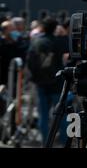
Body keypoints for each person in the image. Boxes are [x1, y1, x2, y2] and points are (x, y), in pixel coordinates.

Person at [26, 17, 69, 145]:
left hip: (40, 82)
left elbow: (29, 61)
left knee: (43, 114)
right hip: (57, 82)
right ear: (55, 28)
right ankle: (63, 141)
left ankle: (45, 142)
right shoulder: (60, 41)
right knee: (61, 114)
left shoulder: (36, 41)